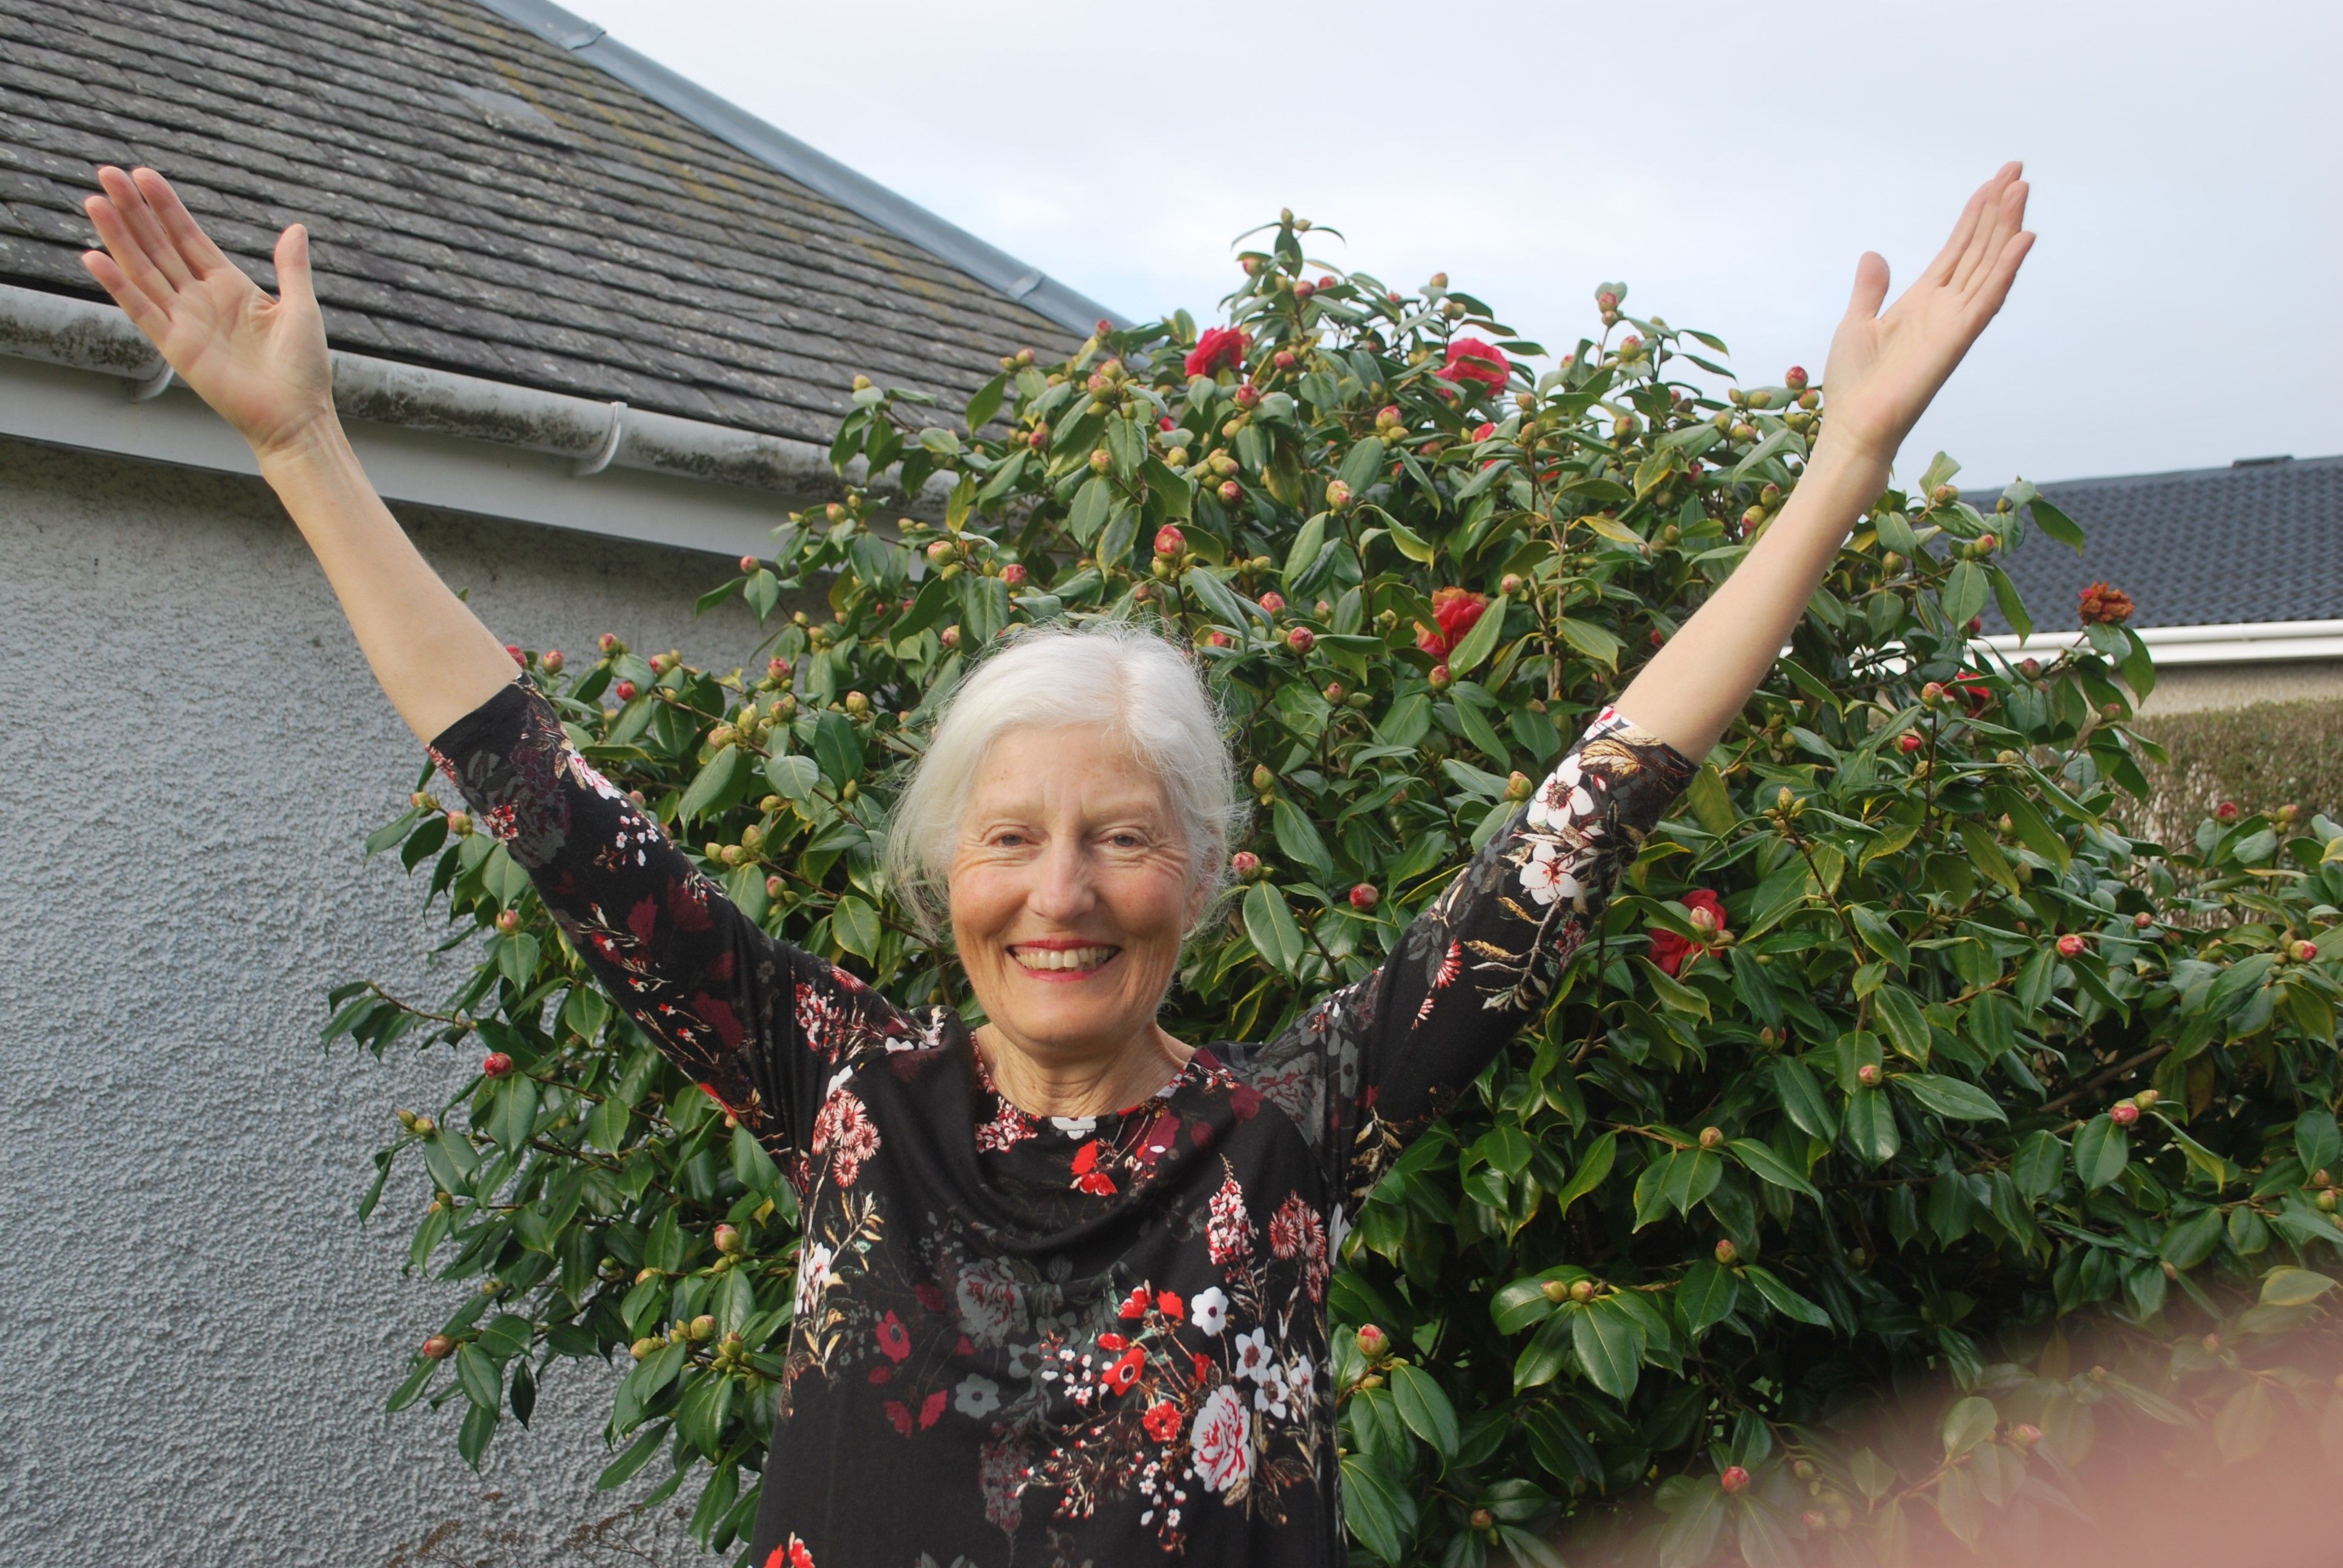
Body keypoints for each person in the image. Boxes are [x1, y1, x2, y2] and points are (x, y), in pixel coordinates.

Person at [77, 162, 2033, 1567]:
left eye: (1119, 840)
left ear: (1203, 875)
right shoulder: (844, 1092)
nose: (1063, 893)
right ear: (949, 883)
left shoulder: (1292, 1130)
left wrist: (1840, 463)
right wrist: (304, 446)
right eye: (1011, 843)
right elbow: (548, 803)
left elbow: (1582, 826)